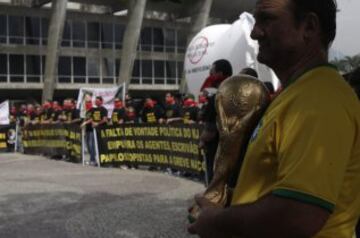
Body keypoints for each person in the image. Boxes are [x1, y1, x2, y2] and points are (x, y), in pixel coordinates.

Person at [188, 1, 360, 238]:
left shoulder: (318, 98)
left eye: (266, 19)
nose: (254, 32)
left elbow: (299, 214)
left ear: (308, 27)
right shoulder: (294, 95)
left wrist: (217, 221)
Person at [199, 59, 233, 184]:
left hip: (216, 149)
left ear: (221, 74)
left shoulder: (217, 97)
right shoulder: (237, 93)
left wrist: (202, 140)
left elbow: (210, 131)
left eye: (212, 72)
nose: (210, 76)